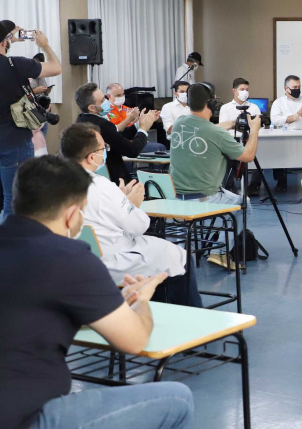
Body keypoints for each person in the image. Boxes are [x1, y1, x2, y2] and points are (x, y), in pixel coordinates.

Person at [0, 155, 193, 429]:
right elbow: (134, 341)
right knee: (179, 399)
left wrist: (106, 305)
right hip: (26, 418)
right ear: (72, 214)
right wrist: (141, 303)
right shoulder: (70, 258)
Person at [60, 123, 201, 307]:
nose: (105, 152)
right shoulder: (101, 186)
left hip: (69, 262)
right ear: (92, 157)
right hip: (110, 262)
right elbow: (138, 227)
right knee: (180, 256)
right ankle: (191, 320)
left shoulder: (51, 182)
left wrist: (121, 200)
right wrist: (132, 204)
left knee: (161, 257)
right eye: (104, 148)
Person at [0, 20, 61, 220]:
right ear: (4, 42)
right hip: (13, 140)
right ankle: (10, 249)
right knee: (14, 200)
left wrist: (7, 39)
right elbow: (55, 68)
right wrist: (43, 45)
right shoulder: (16, 64)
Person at [170, 83, 260, 211]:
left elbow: (204, 129)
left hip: (175, 196)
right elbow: (248, 156)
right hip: (205, 197)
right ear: (211, 103)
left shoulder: (179, 122)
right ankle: (240, 231)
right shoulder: (217, 134)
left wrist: (232, 123)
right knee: (244, 202)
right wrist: (254, 130)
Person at [75, 82, 159, 185]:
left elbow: (116, 137)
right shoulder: (103, 125)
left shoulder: (81, 120)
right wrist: (143, 129)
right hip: (114, 180)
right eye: (102, 101)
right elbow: (132, 150)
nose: (106, 102)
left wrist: (137, 125)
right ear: (91, 107)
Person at [269, 75, 302, 191]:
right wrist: (293, 117)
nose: (297, 89)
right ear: (286, 88)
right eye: (294, 87)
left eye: (299, 86)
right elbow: (274, 119)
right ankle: (281, 181)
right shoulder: (278, 102)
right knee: (276, 151)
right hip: (284, 138)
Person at [219, 78, 263, 197]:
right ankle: (229, 186)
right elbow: (223, 128)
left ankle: (254, 185)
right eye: (242, 89)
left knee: (260, 155)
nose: (245, 92)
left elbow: (258, 124)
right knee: (226, 158)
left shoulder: (253, 107)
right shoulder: (226, 108)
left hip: (250, 139)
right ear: (234, 90)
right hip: (231, 141)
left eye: (247, 90)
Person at [105, 82, 166, 153]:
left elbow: (136, 129)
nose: (122, 97)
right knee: (159, 148)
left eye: (123, 94)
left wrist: (145, 120)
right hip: (118, 144)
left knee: (160, 148)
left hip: (133, 141)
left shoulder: (129, 109)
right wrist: (128, 120)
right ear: (109, 96)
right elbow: (114, 132)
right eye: (118, 95)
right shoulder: (105, 111)